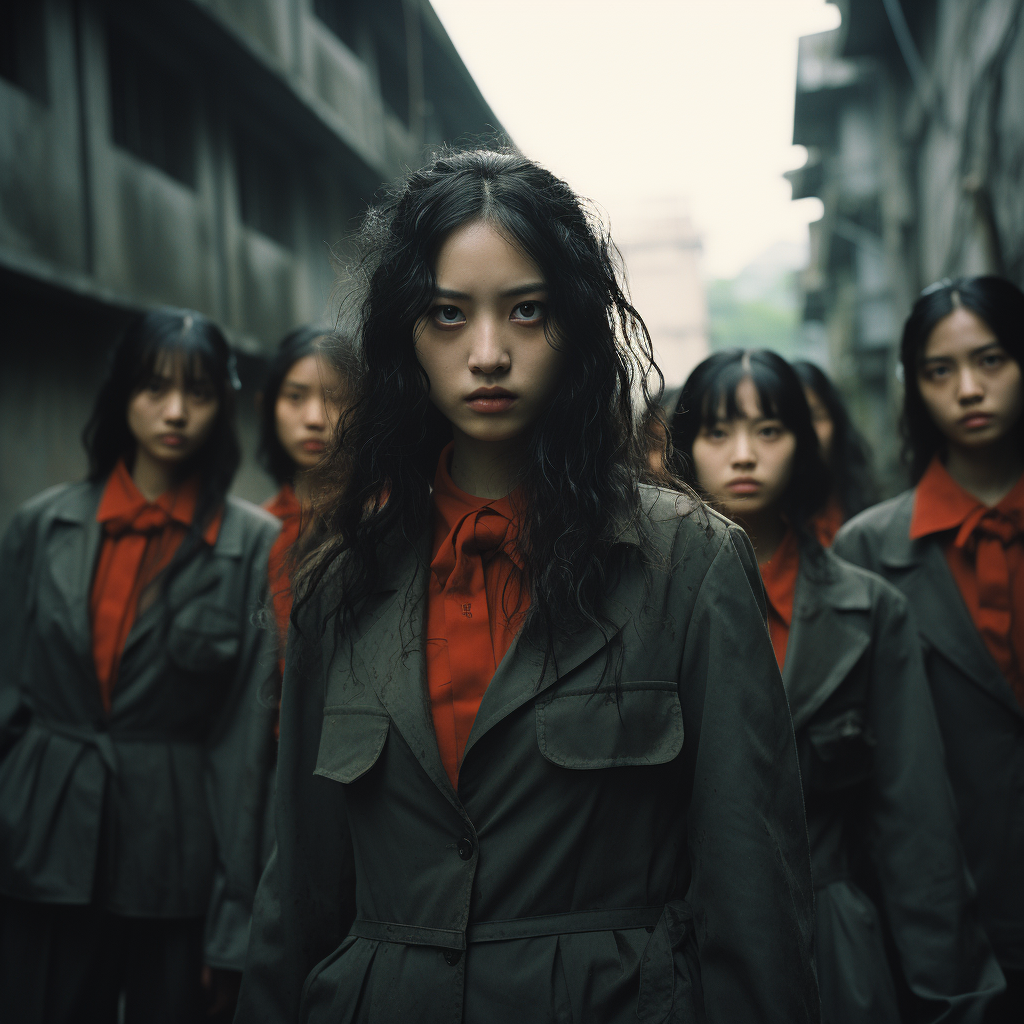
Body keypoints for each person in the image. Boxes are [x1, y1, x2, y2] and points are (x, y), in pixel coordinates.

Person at [236, 149, 820, 1023]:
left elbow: (754, 893)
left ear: (576, 326)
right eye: (447, 314)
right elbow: (301, 890)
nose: (487, 354)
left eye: (526, 312)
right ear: (405, 332)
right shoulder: (338, 579)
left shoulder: (686, 565)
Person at [672, 347, 1003, 1023]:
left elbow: (917, 829)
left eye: (769, 431)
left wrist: (958, 1001)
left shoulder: (870, 610)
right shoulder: (637, 606)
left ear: (803, 442)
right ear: (685, 448)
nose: (743, 455)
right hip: (682, 949)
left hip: (836, 944)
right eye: (717, 432)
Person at [0, 308, 281, 1023]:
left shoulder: (253, 545)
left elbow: (245, 752)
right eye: (155, 388)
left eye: (199, 392)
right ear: (121, 394)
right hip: (39, 845)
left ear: (223, 406)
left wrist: (232, 924)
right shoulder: (41, 524)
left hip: (174, 862)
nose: (176, 411)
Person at [834, 276, 1024, 1020]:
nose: (968, 389)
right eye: (939, 371)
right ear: (913, 387)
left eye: (993, 360)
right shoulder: (869, 550)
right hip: (947, 925)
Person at [258, 326, 357, 652]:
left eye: (336, 398)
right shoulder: (257, 531)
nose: (314, 418)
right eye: (295, 397)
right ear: (268, 405)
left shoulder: (386, 518)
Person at [791, 360, 877, 544]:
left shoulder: (868, 516)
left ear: (836, 422)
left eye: (816, 417)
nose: (807, 434)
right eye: (794, 421)